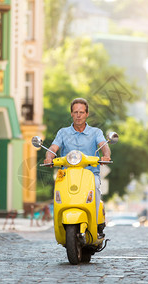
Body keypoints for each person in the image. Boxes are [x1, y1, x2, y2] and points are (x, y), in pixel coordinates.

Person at [44, 98, 111, 237]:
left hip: (89, 174)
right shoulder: (63, 132)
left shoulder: (96, 132)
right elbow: (53, 147)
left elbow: (105, 147)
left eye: (81, 112)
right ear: (71, 114)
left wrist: (106, 156)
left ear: (87, 114)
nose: (78, 115)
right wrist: (49, 157)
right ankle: (58, 221)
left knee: (96, 186)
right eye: (75, 112)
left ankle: (97, 222)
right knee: (58, 191)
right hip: (67, 175)